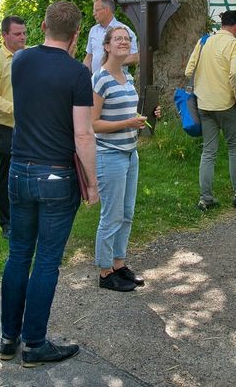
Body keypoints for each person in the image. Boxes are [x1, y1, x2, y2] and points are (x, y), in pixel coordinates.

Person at [0, 1, 99, 368]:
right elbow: (83, 134)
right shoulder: (76, 73)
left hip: (19, 170)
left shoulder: (21, 60)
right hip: (57, 175)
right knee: (46, 261)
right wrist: (92, 183)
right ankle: (36, 343)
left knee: (18, 253)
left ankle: (8, 338)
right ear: (76, 34)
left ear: (42, 25)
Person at [91, 26, 161, 292]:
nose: (124, 41)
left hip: (130, 153)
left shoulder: (128, 77)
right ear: (107, 46)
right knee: (112, 215)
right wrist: (127, 122)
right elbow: (93, 124)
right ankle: (105, 271)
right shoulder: (100, 79)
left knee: (127, 213)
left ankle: (119, 264)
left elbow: (131, 114)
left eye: (127, 39)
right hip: (109, 154)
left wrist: (148, 114)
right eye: (118, 38)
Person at [184, 9, 236, 211]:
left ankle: (205, 198)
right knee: (234, 147)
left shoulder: (204, 40)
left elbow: (189, 70)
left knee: (208, 151)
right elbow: (234, 74)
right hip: (226, 104)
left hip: (204, 104)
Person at [0, 16, 27, 237]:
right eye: (17, 34)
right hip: (8, 127)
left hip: (31, 126)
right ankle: (6, 222)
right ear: (5, 35)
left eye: (24, 33)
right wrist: (14, 109)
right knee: (7, 173)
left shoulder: (29, 57)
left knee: (29, 171)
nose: (22, 37)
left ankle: (27, 217)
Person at [83, 0, 139, 74]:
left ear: (107, 10)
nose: (93, 14)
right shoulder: (93, 30)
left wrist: (111, 64)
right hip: (96, 83)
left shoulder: (125, 30)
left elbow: (134, 57)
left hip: (116, 82)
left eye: (96, 10)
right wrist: (82, 75)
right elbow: (89, 57)